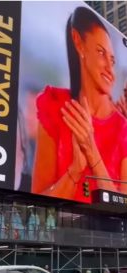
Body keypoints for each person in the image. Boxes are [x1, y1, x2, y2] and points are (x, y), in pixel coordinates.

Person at [32, 6, 127, 202]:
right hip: (61, 231)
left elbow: (123, 205)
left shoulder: (123, 128)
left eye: (112, 59)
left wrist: (92, 152)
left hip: (110, 233)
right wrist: (75, 170)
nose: (110, 69)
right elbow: (37, 201)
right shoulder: (55, 105)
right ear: (78, 41)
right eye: (101, 52)